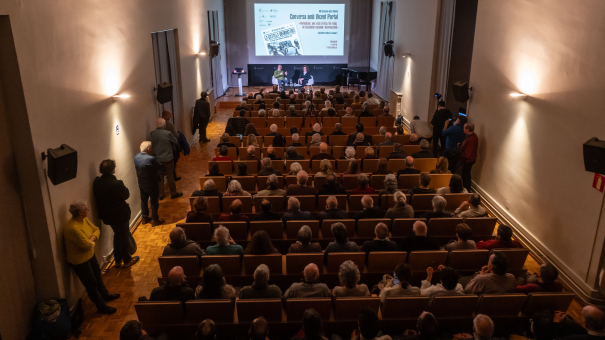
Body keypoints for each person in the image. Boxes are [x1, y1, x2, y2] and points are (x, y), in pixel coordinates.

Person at [63, 201, 120, 314]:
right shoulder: (74, 228)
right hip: (79, 261)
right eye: (86, 209)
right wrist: (92, 240)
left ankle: (105, 295)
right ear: (80, 212)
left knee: (98, 275)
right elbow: (87, 246)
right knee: (91, 283)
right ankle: (101, 306)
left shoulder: (83, 220)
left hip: (89, 255)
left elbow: (96, 230)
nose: (88, 209)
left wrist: (91, 239)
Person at [93, 160, 139, 268]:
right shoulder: (116, 184)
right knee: (124, 236)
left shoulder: (97, 182)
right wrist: (121, 184)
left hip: (108, 216)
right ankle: (127, 260)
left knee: (117, 236)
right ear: (113, 170)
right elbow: (126, 195)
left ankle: (117, 260)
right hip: (120, 215)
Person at [151, 118, 182, 199]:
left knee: (160, 177)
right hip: (168, 158)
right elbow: (175, 141)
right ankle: (173, 193)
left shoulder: (152, 134)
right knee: (170, 176)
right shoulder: (167, 133)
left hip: (158, 159)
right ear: (164, 125)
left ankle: (161, 194)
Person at [135, 141, 163, 226]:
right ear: (148, 149)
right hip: (152, 183)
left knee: (144, 200)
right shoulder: (151, 159)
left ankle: (145, 217)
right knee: (153, 201)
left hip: (141, 183)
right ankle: (154, 219)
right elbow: (159, 166)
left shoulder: (136, 157)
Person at [459, 122, 478, 191]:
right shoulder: (474, 136)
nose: (463, 129)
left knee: (466, 175)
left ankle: (466, 189)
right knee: (466, 174)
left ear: (467, 129)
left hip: (468, 160)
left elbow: (468, 153)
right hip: (471, 159)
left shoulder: (470, 139)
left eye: (464, 128)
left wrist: (460, 153)